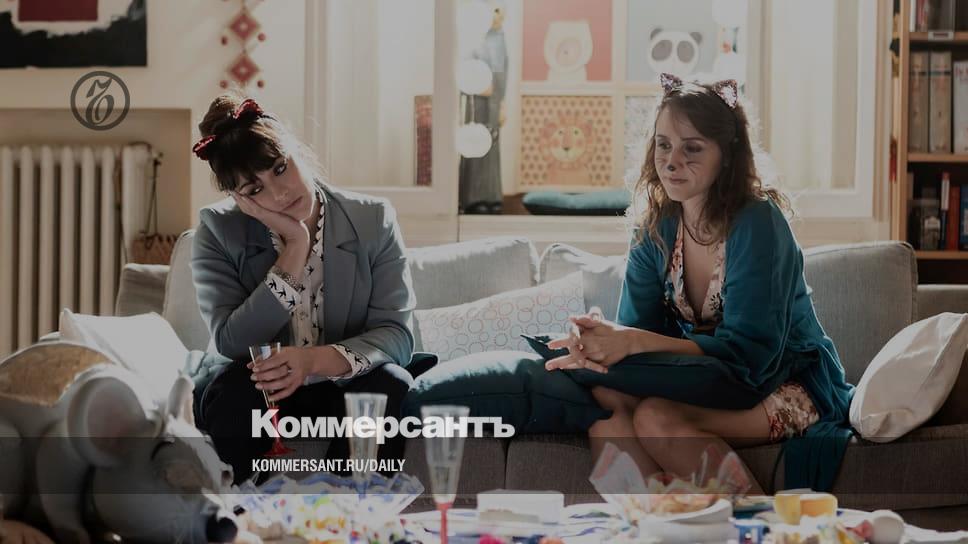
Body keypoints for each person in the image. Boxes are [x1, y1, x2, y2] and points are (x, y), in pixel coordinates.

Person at [545, 73, 854, 493]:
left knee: (655, 418)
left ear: (726, 154)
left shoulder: (758, 223)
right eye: (663, 144)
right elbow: (638, 337)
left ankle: (755, 523)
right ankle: (653, 521)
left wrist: (633, 341)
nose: (672, 161)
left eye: (692, 148)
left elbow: (749, 356)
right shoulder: (654, 227)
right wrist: (603, 339)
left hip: (783, 380)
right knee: (606, 405)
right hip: (708, 377)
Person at [189, 92, 416, 483]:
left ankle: (349, 509)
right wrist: (295, 246)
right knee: (231, 392)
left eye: (280, 168)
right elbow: (230, 341)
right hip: (262, 390)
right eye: (255, 190)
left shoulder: (373, 219)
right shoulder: (216, 231)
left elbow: (396, 334)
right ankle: (243, 513)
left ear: (296, 149)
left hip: (344, 382)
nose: (279, 193)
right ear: (239, 200)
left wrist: (311, 361)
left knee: (392, 383)